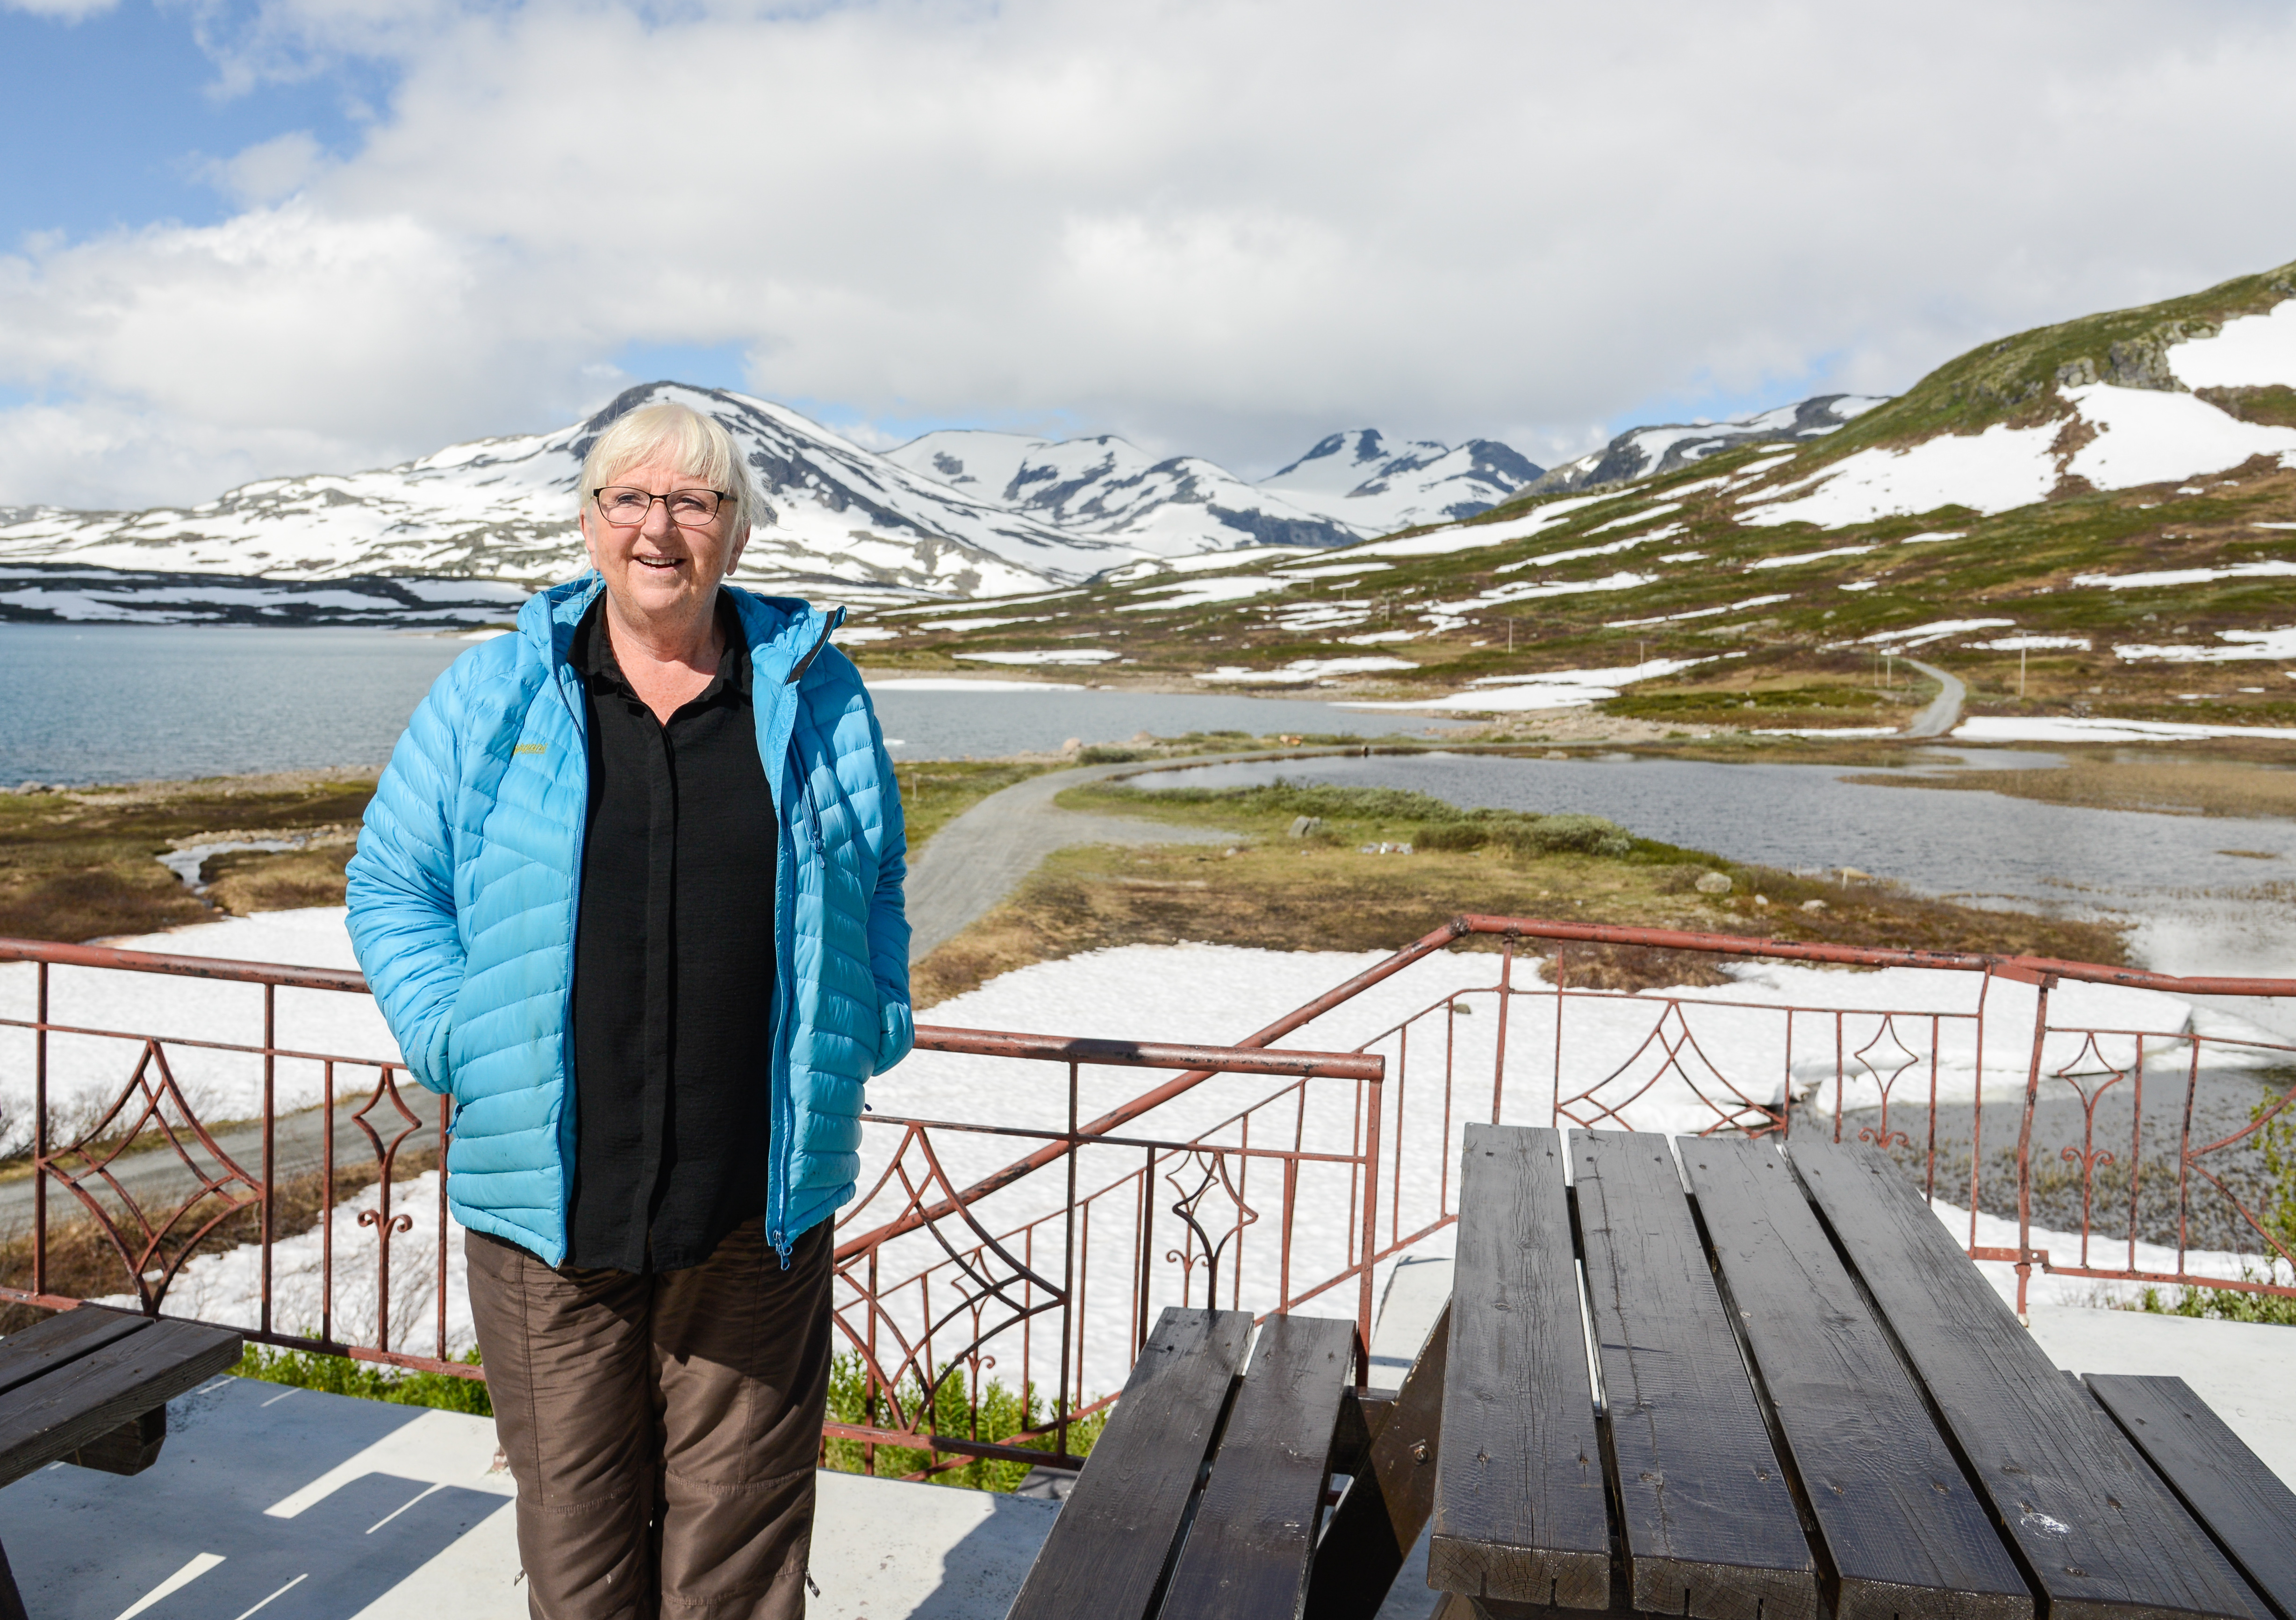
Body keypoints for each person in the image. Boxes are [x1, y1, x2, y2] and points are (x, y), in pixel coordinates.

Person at [346, 398, 912, 1619]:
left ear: (738, 530)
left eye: (696, 501)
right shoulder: (495, 693)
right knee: (583, 1560)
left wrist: (871, 1020)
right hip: (549, 1216)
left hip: (754, 1208)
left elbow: (874, 880)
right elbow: (395, 882)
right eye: (631, 500)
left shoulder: (817, 694)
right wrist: (455, 1038)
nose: (661, 528)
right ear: (591, 522)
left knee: (740, 1562)